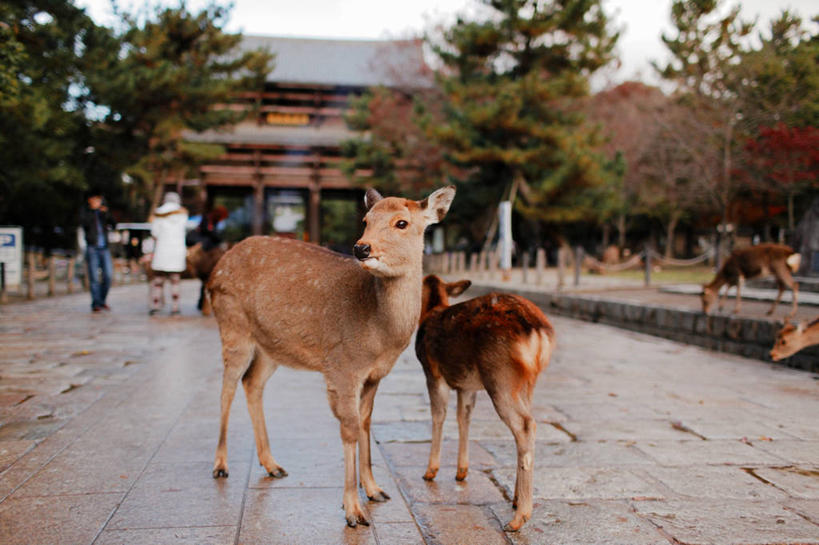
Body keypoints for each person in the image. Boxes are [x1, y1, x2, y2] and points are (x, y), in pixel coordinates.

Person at [149, 192, 188, 316]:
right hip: (177, 250)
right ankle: (175, 307)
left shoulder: (158, 213)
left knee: (158, 280)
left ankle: (155, 305)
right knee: (175, 280)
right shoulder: (183, 213)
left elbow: (154, 233)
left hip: (162, 250)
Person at [80, 193, 116, 312]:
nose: (97, 201)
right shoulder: (85, 212)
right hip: (92, 247)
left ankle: (102, 300)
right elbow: (84, 224)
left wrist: (105, 213)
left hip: (104, 247)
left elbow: (114, 224)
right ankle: (96, 303)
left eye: (99, 199)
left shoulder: (103, 213)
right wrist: (93, 211)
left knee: (108, 275)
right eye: (94, 199)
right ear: (89, 200)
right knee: (94, 277)